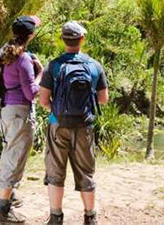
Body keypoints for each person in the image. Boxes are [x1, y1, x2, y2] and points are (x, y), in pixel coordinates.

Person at [39, 21, 109, 225]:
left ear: (63, 40)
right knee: (86, 173)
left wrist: (58, 111)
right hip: (84, 128)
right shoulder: (95, 66)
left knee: (55, 172)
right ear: (82, 40)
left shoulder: (54, 65)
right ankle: (90, 216)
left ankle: (56, 217)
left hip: (58, 125)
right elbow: (104, 99)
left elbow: (43, 100)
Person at [0, 16, 44, 224]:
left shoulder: (5, 52)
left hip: (5, 109)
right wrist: (40, 72)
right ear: (31, 35)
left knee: (9, 152)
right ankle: (2, 210)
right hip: (19, 112)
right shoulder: (23, 59)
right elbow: (31, 93)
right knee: (15, 156)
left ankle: (9, 194)